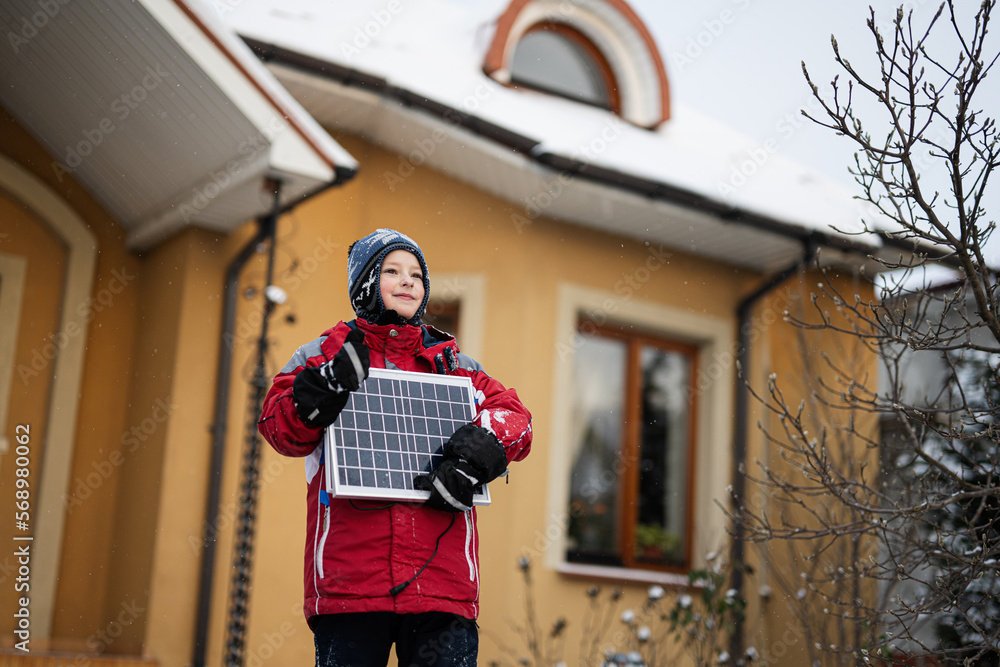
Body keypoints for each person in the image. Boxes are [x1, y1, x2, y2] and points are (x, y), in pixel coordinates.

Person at [257, 228, 532, 667]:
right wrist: (319, 393)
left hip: (444, 586)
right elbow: (279, 427)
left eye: (416, 275)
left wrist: (477, 453)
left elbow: (515, 418)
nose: (408, 281)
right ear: (365, 282)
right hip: (352, 584)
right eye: (391, 271)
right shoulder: (323, 357)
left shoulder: (456, 367)